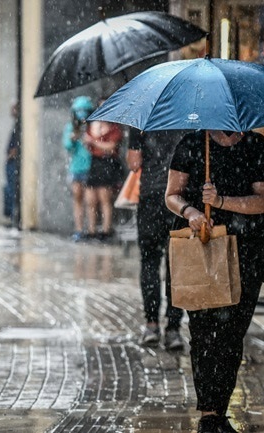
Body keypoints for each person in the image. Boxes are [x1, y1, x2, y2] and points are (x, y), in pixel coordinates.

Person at [165, 129, 264, 433]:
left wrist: (220, 201)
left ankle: (219, 409)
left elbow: (263, 201)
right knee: (203, 334)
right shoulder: (192, 143)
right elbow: (172, 196)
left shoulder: (255, 144)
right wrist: (191, 212)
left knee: (231, 335)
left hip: (248, 253)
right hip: (201, 249)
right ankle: (208, 414)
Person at [127, 130, 184, 350]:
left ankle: (151, 325)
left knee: (150, 261)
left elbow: (133, 163)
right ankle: (173, 328)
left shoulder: (143, 118)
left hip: (151, 197)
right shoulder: (190, 114)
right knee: (176, 264)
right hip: (180, 200)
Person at [82, 99, 123, 241]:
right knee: (90, 198)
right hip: (95, 163)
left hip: (107, 164)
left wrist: (94, 142)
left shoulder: (114, 127)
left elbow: (111, 147)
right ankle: (91, 229)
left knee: (105, 198)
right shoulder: (93, 125)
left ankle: (106, 230)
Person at [62, 96, 94, 242]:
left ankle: (91, 229)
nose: (82, 114)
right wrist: (73, 138)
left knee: (90, 201)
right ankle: (79, 229)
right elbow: (67, 146)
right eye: (79, 111)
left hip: (91, 167)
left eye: (85, 110)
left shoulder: (93, 126)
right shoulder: (70, 127)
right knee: (78, 199)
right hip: (76, 168)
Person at [4, 102, 21, 228]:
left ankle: (13, 217)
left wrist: (11, 156)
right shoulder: (16, 125)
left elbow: (16, 148)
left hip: (13, 163)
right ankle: (12, 216)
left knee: (12, 190)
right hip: (11, 163)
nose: (12, 110)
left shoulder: (20, 126)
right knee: (10, 189)